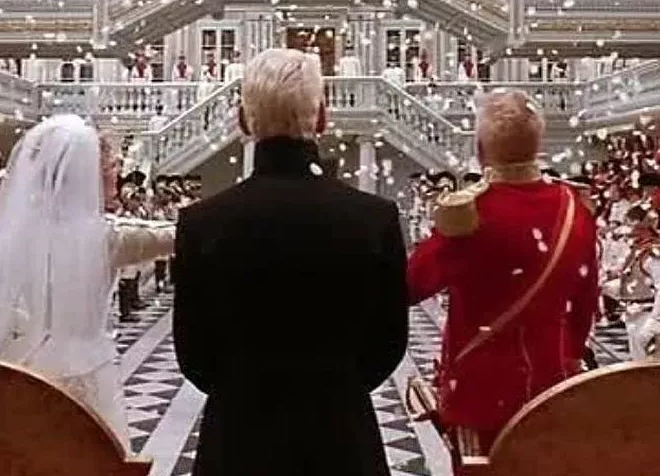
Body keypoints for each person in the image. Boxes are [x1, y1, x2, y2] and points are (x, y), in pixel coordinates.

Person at [174, 47, 408, 476]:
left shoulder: (202, 223)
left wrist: (245, 387)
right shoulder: (373, 219)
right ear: (322, 118)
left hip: (238, 439)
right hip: (342, 437)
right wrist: (334, 385)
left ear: (243, 120)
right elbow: (388, 343)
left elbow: (194, 353)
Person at [0, 115, 173, 443]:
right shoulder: (104, 237)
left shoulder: (14, 231)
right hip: (79, 372)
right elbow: (176, 234)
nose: (118, 172)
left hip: (20, 365)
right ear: (86, 174)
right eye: (112, 165)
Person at [406, 90, 597, 461]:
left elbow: (413, 283)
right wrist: (571, 357)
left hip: (482, 391)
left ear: (480, 149)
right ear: (539, 144)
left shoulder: (472, 214)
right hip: (551, 385)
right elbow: (585, 300)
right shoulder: (575, 208)